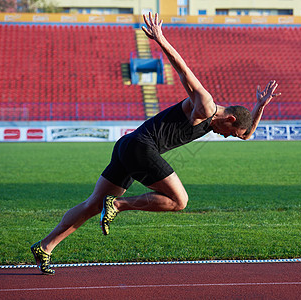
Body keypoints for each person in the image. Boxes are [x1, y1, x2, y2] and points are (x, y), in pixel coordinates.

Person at [31, 12, 280, 275]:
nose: (225, 136)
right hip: (141, 147)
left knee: (92, 204)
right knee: (179, 200)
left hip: (127, 146)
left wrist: (259, 106)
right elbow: (183, 70)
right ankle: (117, 205)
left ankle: (45, 246)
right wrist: (161, 39)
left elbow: (247, 134)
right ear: (229, 118)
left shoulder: (218, 121)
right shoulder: (205, 105)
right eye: (229, 133)